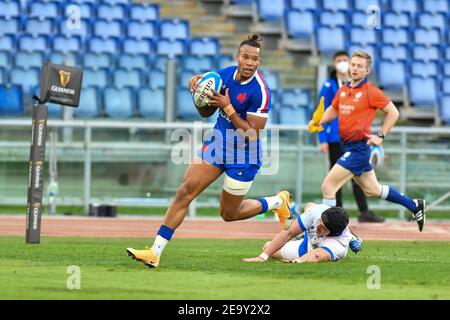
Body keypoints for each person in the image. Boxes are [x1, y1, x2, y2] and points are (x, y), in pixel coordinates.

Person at [126, 34, 292, 268]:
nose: (250, 63)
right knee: (185, 191)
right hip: (218, 144)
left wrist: (229, 108)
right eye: (246, 57)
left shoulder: (260, 91)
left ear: (259, 62)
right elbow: (205, 113)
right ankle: (155, 252)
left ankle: (276, 202)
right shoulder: (224, 75)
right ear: (237, 57)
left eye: (255, 59)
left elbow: (252, 134)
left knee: (229, 214)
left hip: (244, 155)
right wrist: (198, 93)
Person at [308, 51, 425, 232]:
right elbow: (333, 109)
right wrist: (318, 122)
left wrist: (381, 135)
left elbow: (393, 113)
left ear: (367, 70)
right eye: (353, 65)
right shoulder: (344, 89)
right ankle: (414, 205)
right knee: (373, 190)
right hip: (348, 147)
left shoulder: (370, 92)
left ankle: (329, 233)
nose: (355, 68)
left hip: (358, 150)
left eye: (359, 66)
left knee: (328, 186)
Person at [318, 51, 384, 223]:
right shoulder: (330, 85)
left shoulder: (360, 88)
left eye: (345, 60)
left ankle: (362, 211)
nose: (346, 64)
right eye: (339, 60)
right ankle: (336, 213)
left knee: (354, 180)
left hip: (355, 141)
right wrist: (322, 139)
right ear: (334, 63)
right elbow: (322, 111)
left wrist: (378, 134)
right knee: (334, 181)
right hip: (335, 139)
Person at [242, 203, 362, 263]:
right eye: (320, 221)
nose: (318, 227)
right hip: (310, 237)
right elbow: (288, 233)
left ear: (332, 233)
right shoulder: (318, 212)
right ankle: (297, 221)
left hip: (308, 248)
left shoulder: (338, 245)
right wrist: (262, 257)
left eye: (323, 228)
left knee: (269, 246)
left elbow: (317, 255)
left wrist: (297, 261)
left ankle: (351, 237)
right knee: (310, 206)